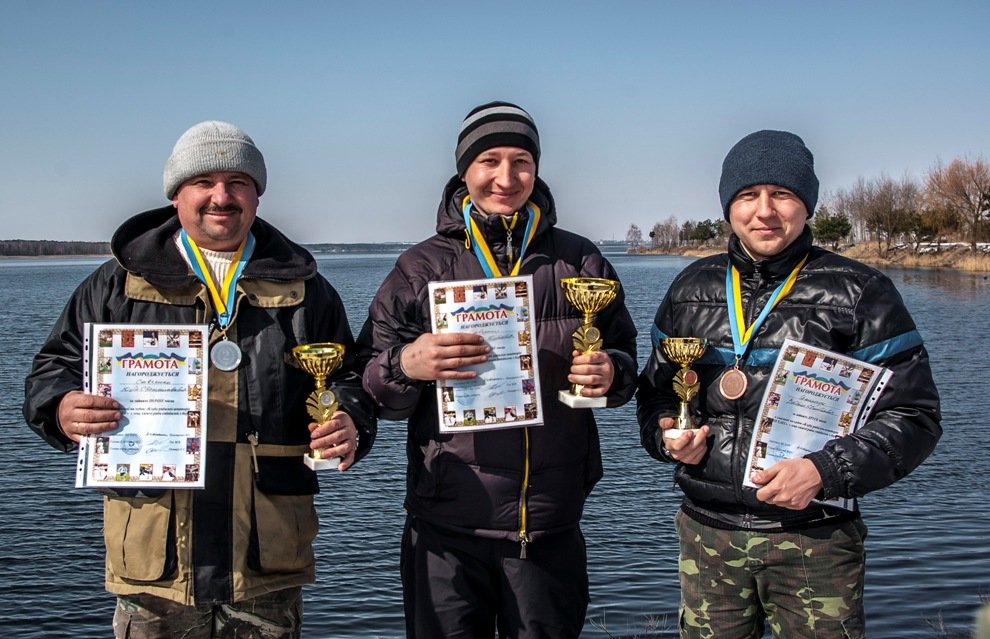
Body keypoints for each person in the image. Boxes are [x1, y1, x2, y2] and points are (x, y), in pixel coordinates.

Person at [23, 120, 377, 638]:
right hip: (154, 561)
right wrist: (61, 407)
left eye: (238, 181)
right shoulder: (115, 284)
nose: (221, 196)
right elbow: (52, 368)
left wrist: (350, 418)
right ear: (176, 195)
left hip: (264, 559)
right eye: (203, 182)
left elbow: (349, 374)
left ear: (257, 195)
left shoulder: (306, 288)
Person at [636, 130, 941, 638]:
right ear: (728, 206)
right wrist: (667, 435)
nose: (764, 211)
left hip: (815, 542)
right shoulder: (692, 289)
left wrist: (825, 469)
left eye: (782, 194)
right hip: (707, 535)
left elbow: (914, 417)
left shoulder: (860, 292)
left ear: (807, 205)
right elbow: (657, 391)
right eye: (747, 196)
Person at [359, 101, 638, 638]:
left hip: (549, 523)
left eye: (521, 161)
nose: (506, 178)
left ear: (537, 168)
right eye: (489, 160)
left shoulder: (580, 262)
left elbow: (626, 360)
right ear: (464, 171)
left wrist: (611, 373)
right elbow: (373, 389)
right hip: (446, 526)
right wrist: (407, 365)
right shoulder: (420, 267)